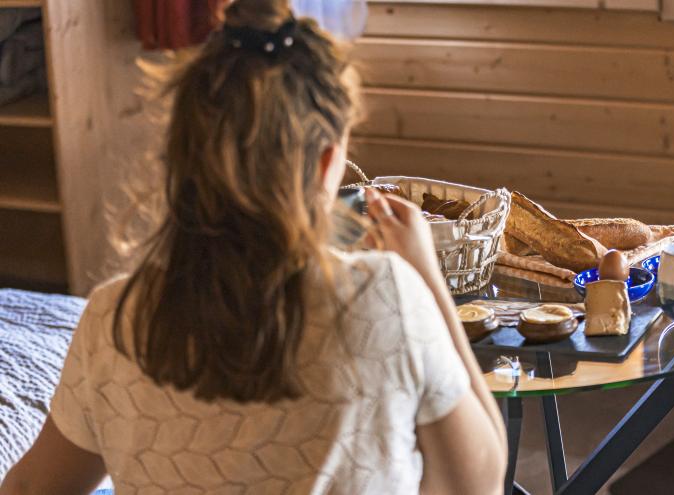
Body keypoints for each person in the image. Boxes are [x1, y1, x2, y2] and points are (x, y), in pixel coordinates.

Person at [0, 0, 507, 493]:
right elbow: (478, 479)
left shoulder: (113, 317)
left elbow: (29, 486)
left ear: (181, 157)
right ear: (329, 163)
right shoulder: (382, 295)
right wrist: (425, 279)